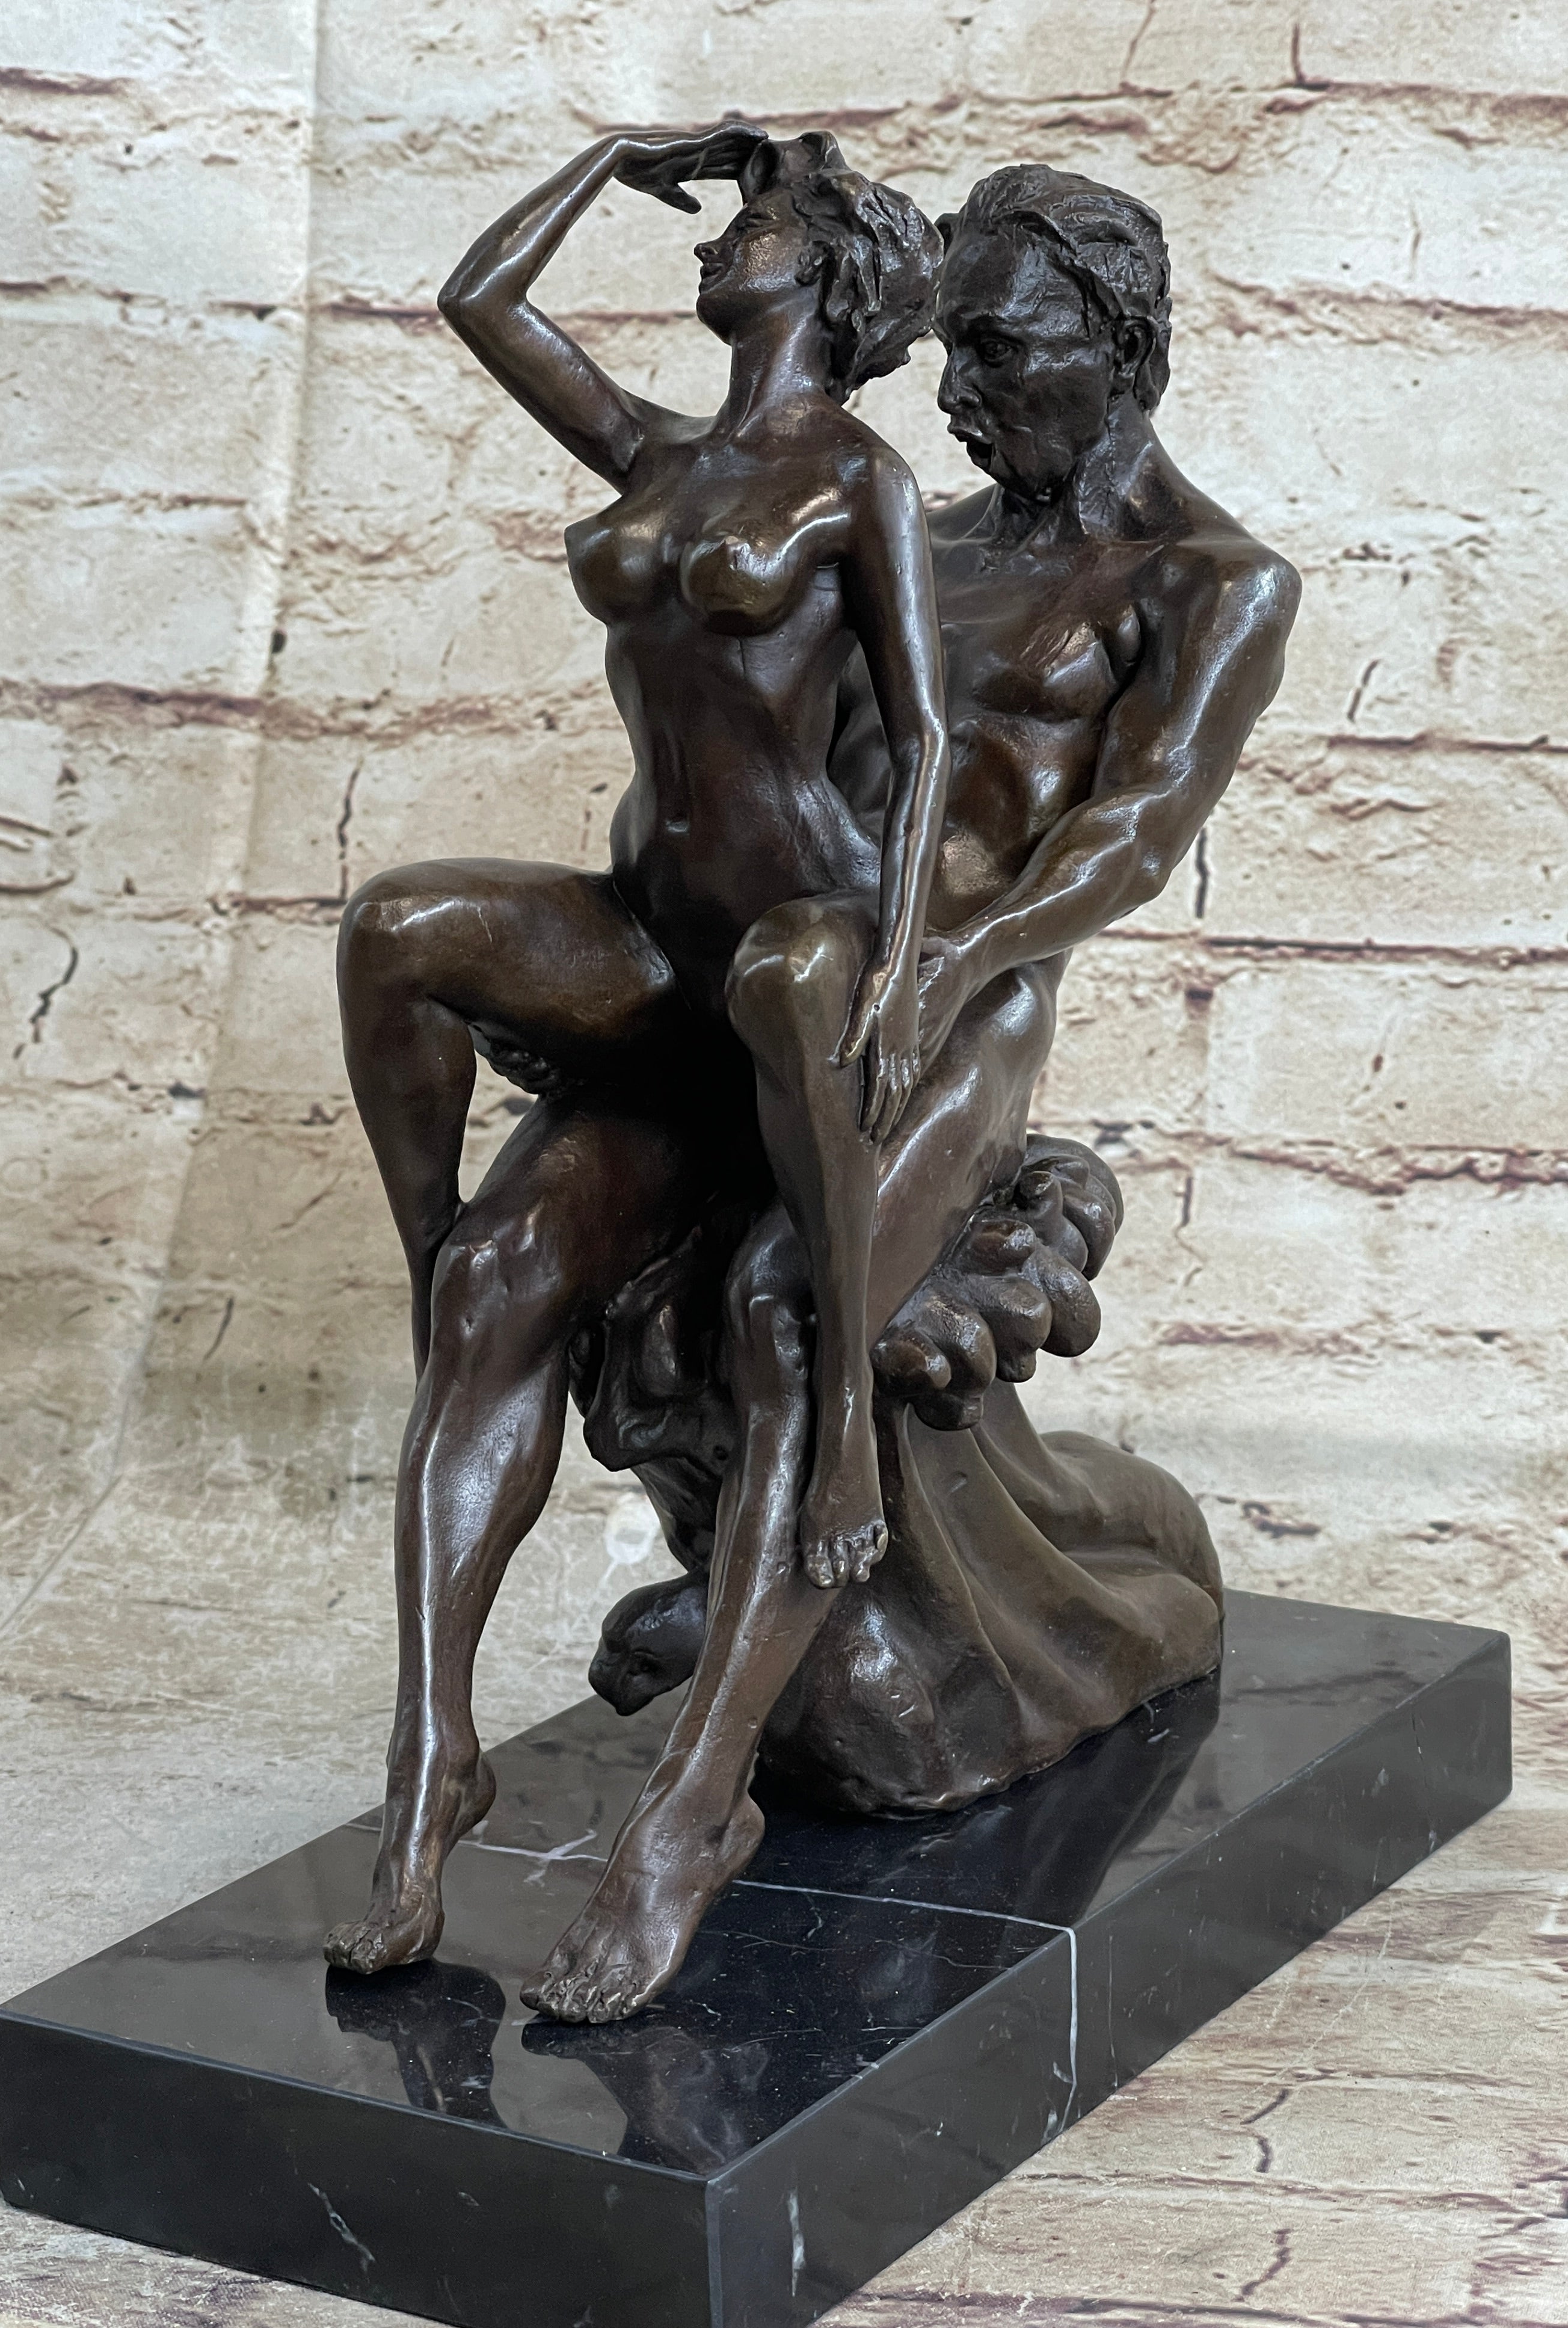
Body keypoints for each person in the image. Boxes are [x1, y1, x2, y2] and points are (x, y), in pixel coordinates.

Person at [329, 161, 1299, 2011]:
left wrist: (948, 958)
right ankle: (430, 1763)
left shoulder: (1211, 582)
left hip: (953, 1008)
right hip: (763, 974)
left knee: (786, 1303)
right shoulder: (902, 515)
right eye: (953, 355)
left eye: (1002, 351)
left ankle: (696, 1805)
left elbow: (1139, 828)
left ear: (1117, 342)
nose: (963, 391)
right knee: (495, 1275)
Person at [325, 120, 952, 1972]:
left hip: (799, 930)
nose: (715, 246)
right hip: (650, 939)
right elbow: (481, 299)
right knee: (398, 931)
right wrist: (614, 154)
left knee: (788, 991)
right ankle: (433, 1756)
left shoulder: (865, 481)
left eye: (748, 226)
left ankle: (843, 1433)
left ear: (823, 269)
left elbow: (924, 742)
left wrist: (905, 975)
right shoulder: (658, 455)